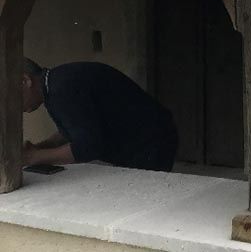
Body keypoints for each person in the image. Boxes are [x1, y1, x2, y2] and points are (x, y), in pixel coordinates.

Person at [21, 59, 178, 172]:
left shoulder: (63, 89)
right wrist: (42, 147)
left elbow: (87, 147)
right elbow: (75, 129)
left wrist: (35, 157)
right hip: (149, 139)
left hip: (148, 144)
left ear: (25, 81)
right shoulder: (55, 84)